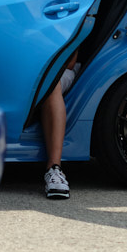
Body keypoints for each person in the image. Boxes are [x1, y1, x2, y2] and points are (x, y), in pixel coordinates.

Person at [41, 52, 81, 199]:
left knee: (51, 83)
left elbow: (70, 63)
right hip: (29, 69)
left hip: (60, 70)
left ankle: (54, 169)